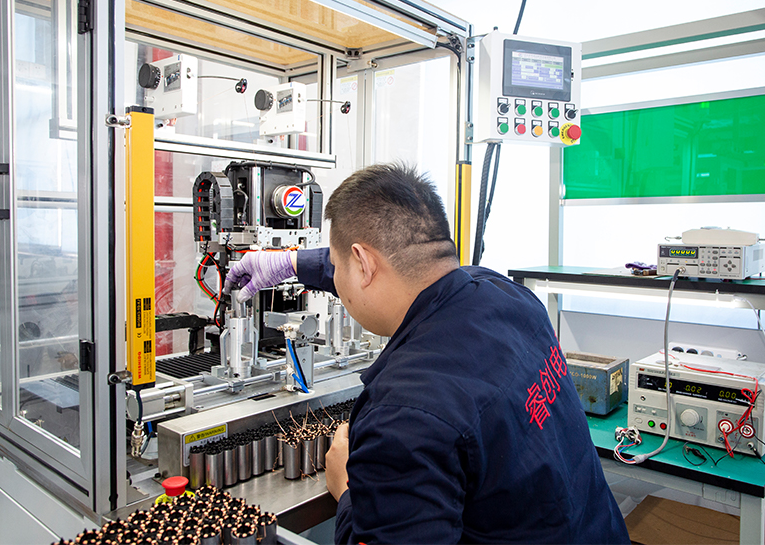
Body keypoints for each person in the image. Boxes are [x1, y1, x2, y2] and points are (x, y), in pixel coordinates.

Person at [224, 163, 629, 544]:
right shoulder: (508, 296)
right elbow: (389, 263)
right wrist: (290, 263)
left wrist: (347, 490)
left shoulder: (404, 415)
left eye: (336, 261)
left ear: (362, 262)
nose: (336, 272)